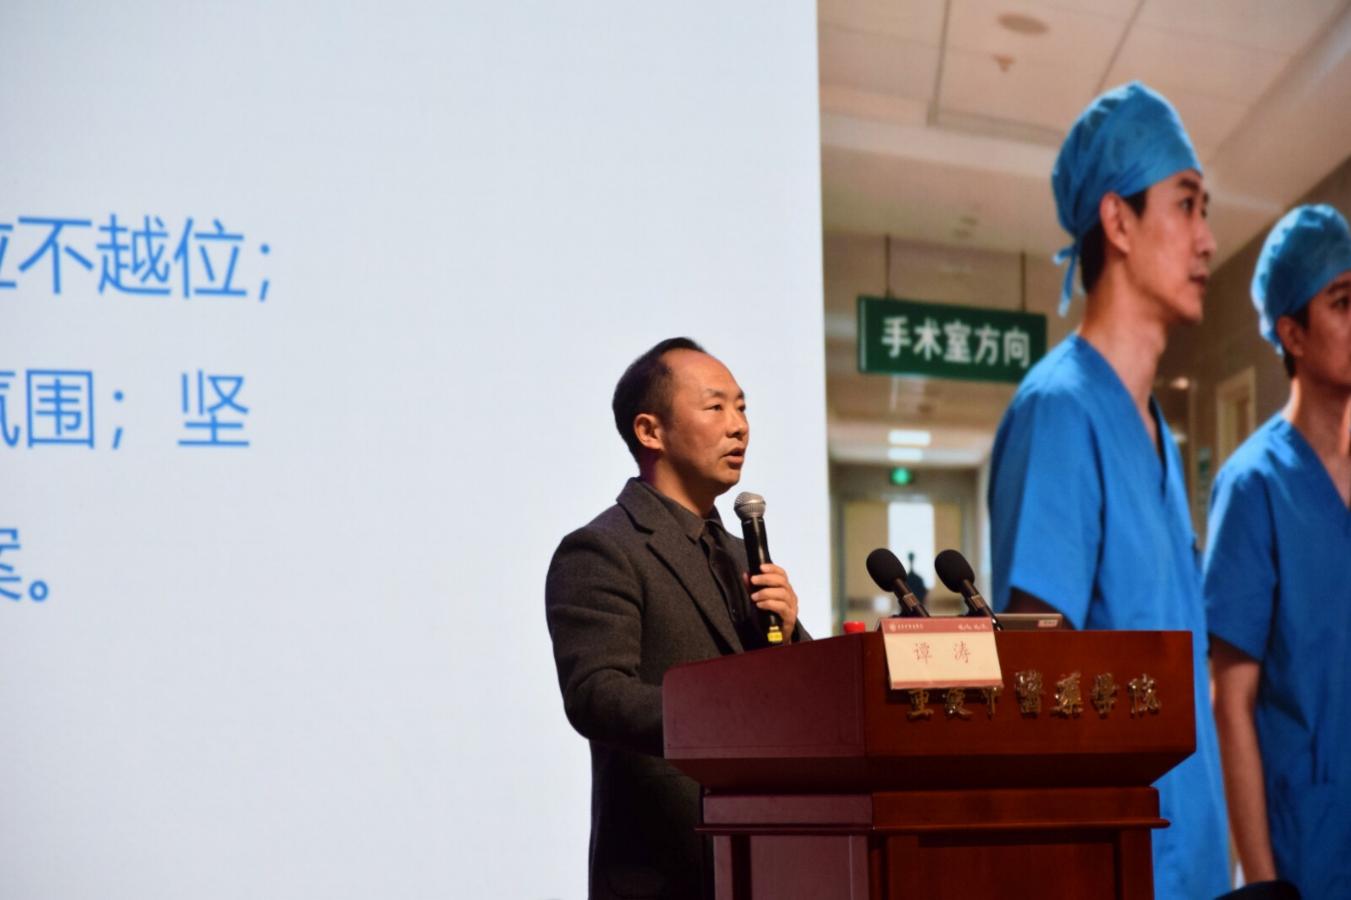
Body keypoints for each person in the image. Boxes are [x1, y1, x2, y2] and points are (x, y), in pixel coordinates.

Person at [986, 82, 1229, 899]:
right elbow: (1033, 680)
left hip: (1189, 855)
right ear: (1117, 221)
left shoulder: (1153, 429)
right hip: (1118, 867)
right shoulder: (1061, 412)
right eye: (1185, 205)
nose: (1206, 240)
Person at [545, 337, 806, 900]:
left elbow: (797, 698)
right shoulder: (603, 549)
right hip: (663, 867)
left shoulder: (743, 554)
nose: (739, 426)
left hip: (768, 857)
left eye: (742, 407)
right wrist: (731, 721)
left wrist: (789, 635)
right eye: (716, 407)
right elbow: (596, 693)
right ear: (650, 431)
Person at [1205, 205, 1351, 899]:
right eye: (1342, 303)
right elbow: (1230, 703)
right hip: (1303, 846)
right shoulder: (1255, 485)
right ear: (1291, 333)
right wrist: (1262, 883)